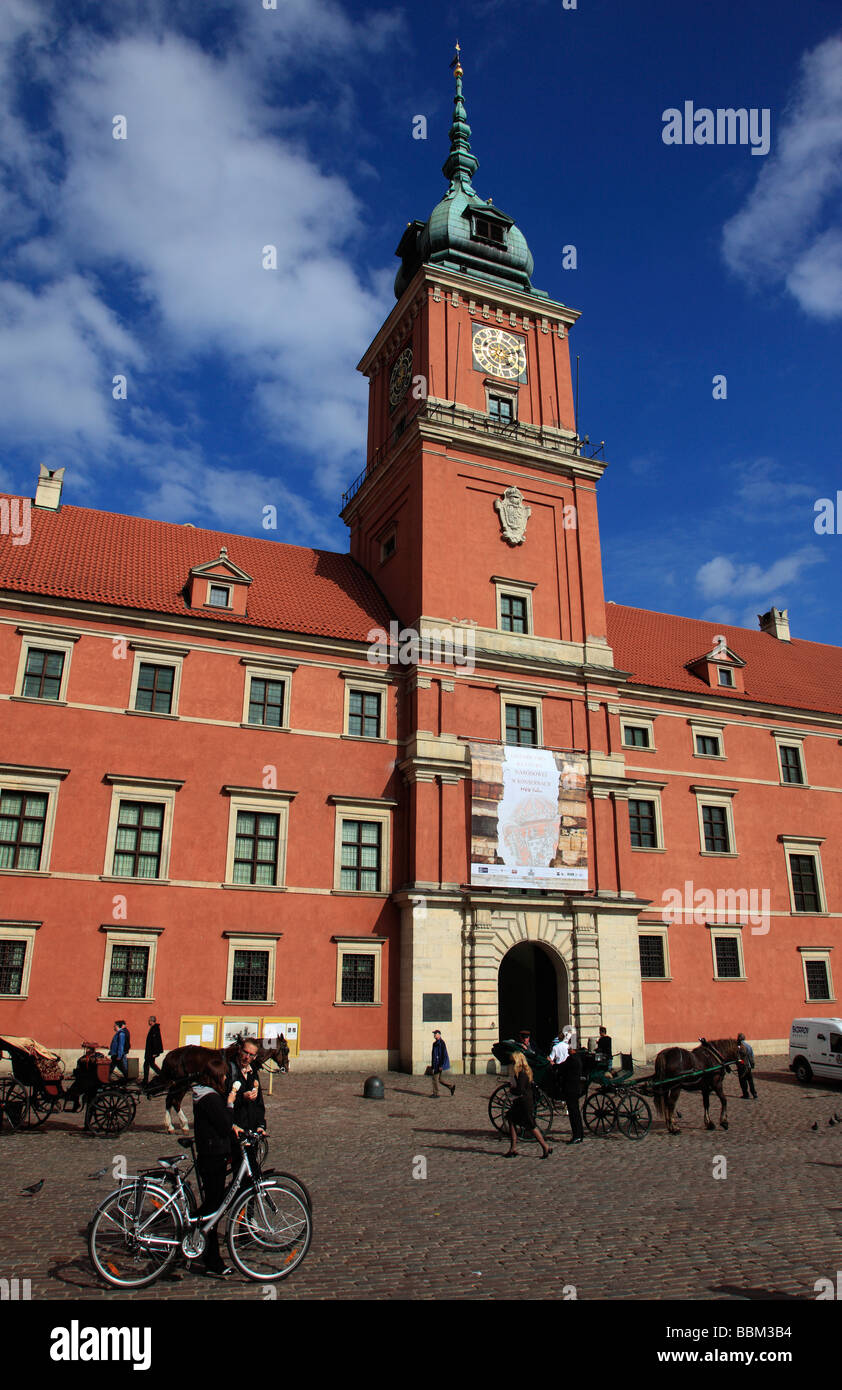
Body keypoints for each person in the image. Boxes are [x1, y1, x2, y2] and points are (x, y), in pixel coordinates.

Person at [192, 1062, 242, 1278]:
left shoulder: (206, 1095)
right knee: (213, 1210)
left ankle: (194, 1231)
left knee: (212, 1204)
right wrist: (230, 1103)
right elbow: (223, 1123)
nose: (225, 1079)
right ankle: (211, 1259)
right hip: (213, 1155)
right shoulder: (210, 1098)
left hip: (211, 1152)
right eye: (223, 1076)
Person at [504, 1052, 551, 1158]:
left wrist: (512, 1089)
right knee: (512, 1120)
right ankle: (513, 1148)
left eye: (513, 1061)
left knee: (531, 1125)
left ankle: (545, 1146)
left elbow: (520, 1090)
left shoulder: (522, 1074)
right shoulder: (523, 1072)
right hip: (521, 1102)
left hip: (523, 1103)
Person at [227, 1036, 266, 1133]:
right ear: (240, 1050)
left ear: (255, 1057)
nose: (247, 1057)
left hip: (251, 1128)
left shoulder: (253, 1071)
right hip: (235, 1129)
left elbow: (259, 1102)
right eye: (245, 1052)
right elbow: (224, 1099)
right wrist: (242, 1097)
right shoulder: (229, 1070)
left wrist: (261, 1125)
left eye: (251, 1055)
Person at [557, 1046, 584, 1143]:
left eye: (569, 1049)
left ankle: (577, 1135)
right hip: (575, 1088)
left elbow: (562, 1067)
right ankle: (580, 1134)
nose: (568, 1050)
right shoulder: (577, 1058)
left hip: (570, 1089)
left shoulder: (572, 1059)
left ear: (573, 1050)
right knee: (575, 1112)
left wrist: (553, 1065)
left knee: (573, 1113)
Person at [430, 1030, 455, 1096]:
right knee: (440, 1080)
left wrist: (441, 1065)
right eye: (434, 1034)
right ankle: (451, 1087)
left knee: (434, 1078)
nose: (434, 1035)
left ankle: (436, 1093)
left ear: (439, 1035)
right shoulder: (434, 1044)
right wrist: (432, 1065)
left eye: (435, 1033)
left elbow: (443, 1055)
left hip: (439, 1064)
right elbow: (433, 1055)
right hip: (436, 1064)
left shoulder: (441, 1043)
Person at [142, 1016, 163, 1086]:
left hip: (151, 1052)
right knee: (151, 1064)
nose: (148, 1022)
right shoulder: (154, 1028)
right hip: (150, 1051)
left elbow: (155, 1041)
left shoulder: (155, 1029)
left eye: (149, 1021)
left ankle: (145, 1081)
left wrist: (155, 1052)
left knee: (147, 1065)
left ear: (151, 1021)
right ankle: (162, 1075)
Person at [737, 1032, 757, 1099]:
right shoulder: (748, 1046)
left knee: (743, 1080)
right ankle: (754, 1094)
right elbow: (752, 1056)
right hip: (748, 1066)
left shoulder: (738, 1047)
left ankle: (746, 1094)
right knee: (750, 1081)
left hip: (742, 1066)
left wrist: (739, 1062)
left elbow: (738, 1058)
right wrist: (752, 1064)